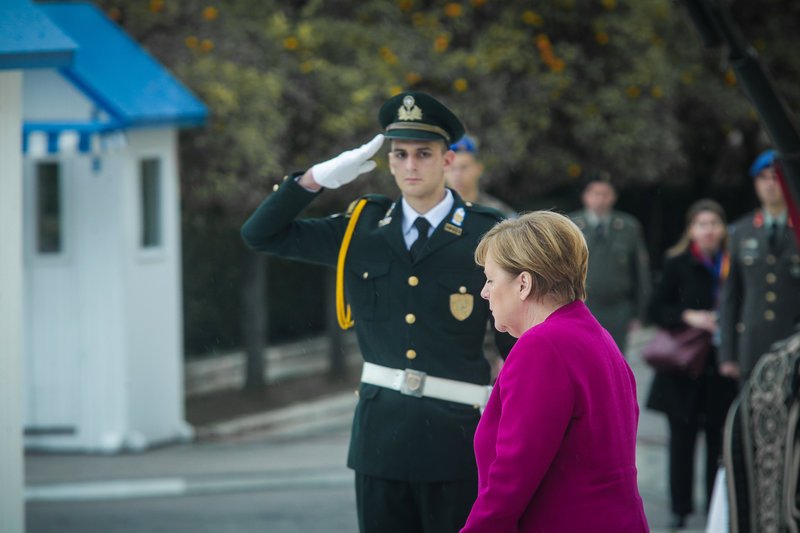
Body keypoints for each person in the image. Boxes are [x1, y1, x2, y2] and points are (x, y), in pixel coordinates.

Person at [241, 91, 513, 533]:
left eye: (424, 154)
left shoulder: (485, 236)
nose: (410, 165)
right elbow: (260, 235)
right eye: (400, 154)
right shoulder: (361, 228)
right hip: (379, 439)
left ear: (447, 160)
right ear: (388, 161)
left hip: (458, 440)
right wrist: (313, 180)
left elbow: (515, 344)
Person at [460, 211, 648, 533]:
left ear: (523, 283)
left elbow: (511, 477)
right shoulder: (596, 337)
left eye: (491, 279)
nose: (484, 292)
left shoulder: (543, 346)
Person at [644, 199, 739, 530]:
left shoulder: (734, 260)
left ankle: (716, 507)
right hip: (683, 368)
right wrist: (690, 316)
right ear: (691, 230)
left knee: (718, 441)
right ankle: (679, 508)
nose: (709, 230)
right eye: (702, 224)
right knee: (681, 441)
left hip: (719, 366)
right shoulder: (677, 263)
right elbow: (655, 309)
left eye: (714, 223)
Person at [719, 149, 800, 382]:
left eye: (776, 177)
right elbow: (730, 296)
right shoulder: (740, 232)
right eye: (763, 178)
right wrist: (727, 355)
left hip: (793, 342)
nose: (770, 184)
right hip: (752, 344)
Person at [569, 173, 650, 353]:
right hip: (583, 306)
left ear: (613, 196)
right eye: (595, 193)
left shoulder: (628, 226)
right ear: (585, 196)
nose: (600, 199)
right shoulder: (571, 225)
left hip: (618, 308)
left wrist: (640, 313)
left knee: (615, 359)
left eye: (605, 194)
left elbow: (640, 272)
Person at [445, 135, 516, 218]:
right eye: (452, 168)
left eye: (463, 167)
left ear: (478, 169)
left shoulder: (497, 212)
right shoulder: (436, 210)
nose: (457, 175)